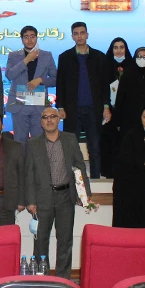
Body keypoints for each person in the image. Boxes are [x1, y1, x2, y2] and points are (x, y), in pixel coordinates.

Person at [24, 107, 91, 279]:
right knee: (40, 241)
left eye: (52, 116)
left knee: (65, 241)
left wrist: (84, 194)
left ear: (58, 119)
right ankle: (42, 278)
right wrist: (30, 201)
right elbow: (28, 173)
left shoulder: (70, 139)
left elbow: (79, 166)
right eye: (45, 117)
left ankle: (63, 279)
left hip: (65, 197)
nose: (49, 120)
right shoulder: (32, 143)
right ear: (41, 122)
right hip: (42, 199)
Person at [56, 22, 110, 178]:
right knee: (70, 147)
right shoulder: (65, 57)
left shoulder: (99, 57)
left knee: (95, 147)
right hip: (72, 110)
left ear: (87, 35)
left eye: (82, 33)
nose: (79, 36)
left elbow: (105, 85)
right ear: (72, 36)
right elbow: (60, 84)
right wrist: (60, 107)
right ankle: (72, 181)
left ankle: (95, 180)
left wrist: (106, 106)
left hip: (94, 109)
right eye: (76, 33)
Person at [5, 25, 57, 141]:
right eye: (26, 37)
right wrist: (26, 60)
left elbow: (55, 79)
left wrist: (41, 80)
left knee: (38, 142)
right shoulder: (14, 56)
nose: (29, 40)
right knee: (20, 141)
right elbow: (9, 75)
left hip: (38, 106)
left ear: (37, 38)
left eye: (32, 36)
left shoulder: (47, 55)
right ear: (22, 39)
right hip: (19, 105)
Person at [100, 37, 132, 178]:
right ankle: (109, 171)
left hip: (127, 111)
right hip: (108, 110)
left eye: (121, 47)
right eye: (115, 47)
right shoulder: (105, 65)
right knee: (109, 141)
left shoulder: (132, 65)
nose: (119, 50)